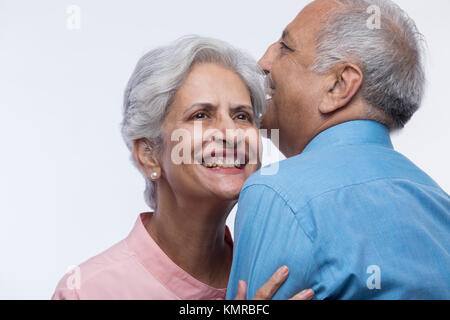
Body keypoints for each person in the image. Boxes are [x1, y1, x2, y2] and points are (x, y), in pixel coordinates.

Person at [51, 36, 313, 300]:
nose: (231, 134)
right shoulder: (87, 292)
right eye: (200, 115)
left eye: (241, 116)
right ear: (149, 155)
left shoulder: (281, 275)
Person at [227, 0, 450, 300]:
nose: (263, 62)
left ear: (339, 86)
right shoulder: (439, 204)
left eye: (285, 48)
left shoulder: (278, 194)